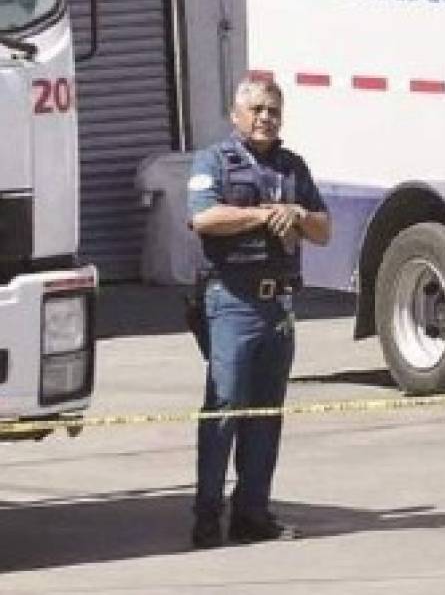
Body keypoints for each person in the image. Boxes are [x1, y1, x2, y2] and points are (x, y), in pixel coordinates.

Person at [186, 75, 331, 548]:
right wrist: (263, 214)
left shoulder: (294, 167)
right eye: (257, 110)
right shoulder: (214, 161)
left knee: (266, 413)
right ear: (237, 114)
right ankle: (207, 517)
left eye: (273, 110)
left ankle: (252, 513)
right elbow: (203, 217)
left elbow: (324, 229)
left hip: (278, 304)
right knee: (225, 407)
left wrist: (299, 216)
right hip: (231, 300)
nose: (266, 118)